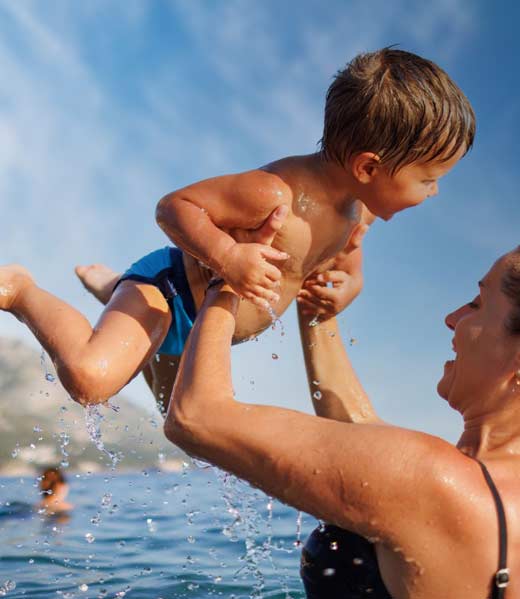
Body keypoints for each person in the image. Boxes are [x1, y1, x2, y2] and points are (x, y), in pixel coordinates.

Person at [0, 48, 474, 410]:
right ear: (369, 167)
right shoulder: (274, 194)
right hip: (170, 291)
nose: (433, 193)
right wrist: (227, 257)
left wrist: (349, 287)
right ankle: (22, 290)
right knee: (91, 382)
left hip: (203, 331)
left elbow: (348, 265)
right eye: (428, 180)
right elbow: (174, 207)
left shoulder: (357, 215)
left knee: (177, 418)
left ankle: (109, 287)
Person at [163, 245, 520, 599]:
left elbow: (197, 416)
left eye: (477, 304)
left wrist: (225, 278)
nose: (452, 317)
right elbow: (359, 431)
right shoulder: (477, 485)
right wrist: (315, 303)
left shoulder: (435, 482)